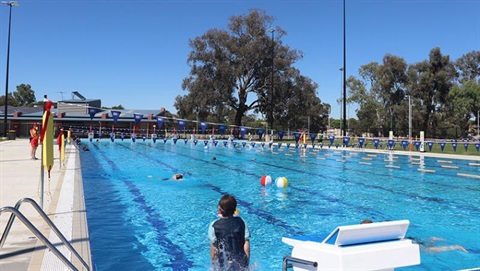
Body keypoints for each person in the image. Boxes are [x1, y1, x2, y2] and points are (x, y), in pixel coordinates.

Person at [360, 219, 468, 253]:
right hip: (409, 238)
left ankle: (455, 247)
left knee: (429, 251)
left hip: (409, 242)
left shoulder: (374, 235)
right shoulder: (380, 230)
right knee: (426, 246)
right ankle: (432, 239)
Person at [208, 194, 250, 270]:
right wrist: (246, 265)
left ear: (220, 209)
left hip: (224, 264)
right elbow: (246, 245)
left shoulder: (213, 225)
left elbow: (214, 250)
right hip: (241, 263)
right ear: (235, 209)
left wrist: (214, 267)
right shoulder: (242, 222)